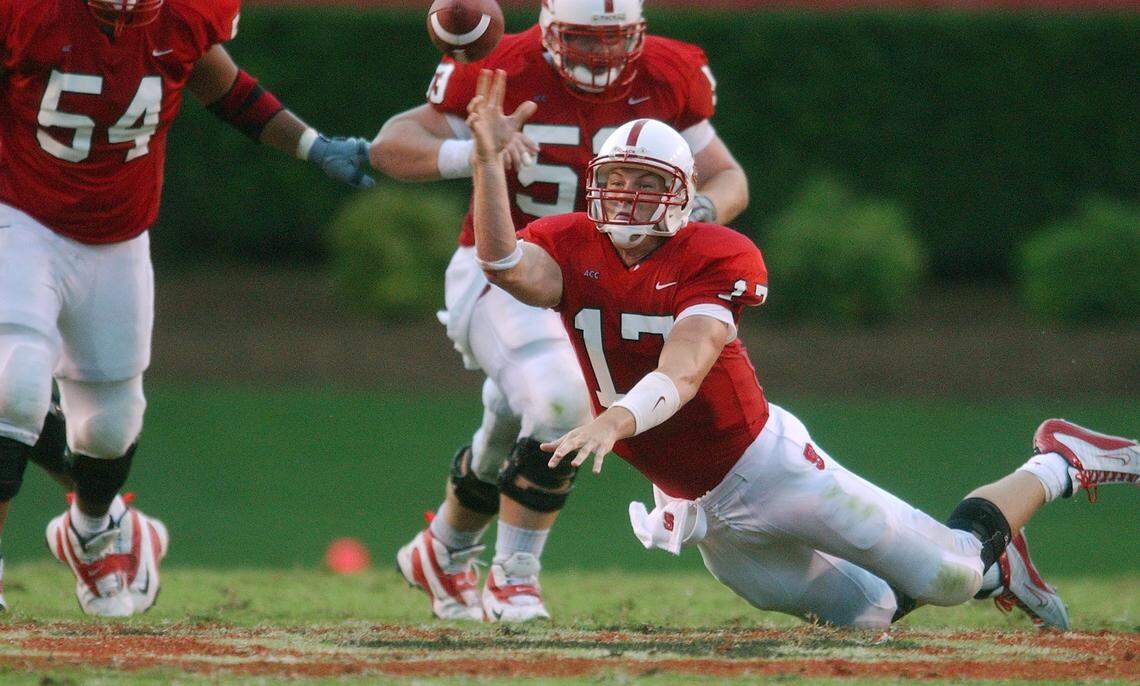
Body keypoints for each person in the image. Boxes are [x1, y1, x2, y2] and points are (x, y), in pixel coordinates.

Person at [462, 68, 1140, 630]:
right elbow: (501, 263)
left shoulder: (713, 253)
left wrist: (617, 417)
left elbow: (687, 366)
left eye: (647, 183)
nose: (628, 197)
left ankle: (1059, 462)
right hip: (700, 508)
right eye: (618, 178)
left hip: (769, 467)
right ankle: (1001, 561)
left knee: (950, 576)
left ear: (681, 195)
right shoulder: (570, 241)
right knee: (871, 616)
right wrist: (489, 164)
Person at [371, 0, 749, 622]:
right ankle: (514, 577)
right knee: (558, 402)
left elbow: (727, 176)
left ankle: (442, 551)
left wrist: (695, 213)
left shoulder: (667, 73)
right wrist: (476, 154)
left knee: (510, 422)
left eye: (614, 41)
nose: (599, 57)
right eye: (581, 40)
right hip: (507, 267)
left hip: (601, 283)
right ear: (546, 29)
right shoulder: (502, 65)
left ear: (638, 35)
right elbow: (392, 145)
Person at [0, 0, 373, 616]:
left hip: (118, 234)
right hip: (20, 214)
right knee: (13, 383)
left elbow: (219, 85)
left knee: (110, 425)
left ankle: (96, 532)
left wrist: (311, 146)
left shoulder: (185, 16)